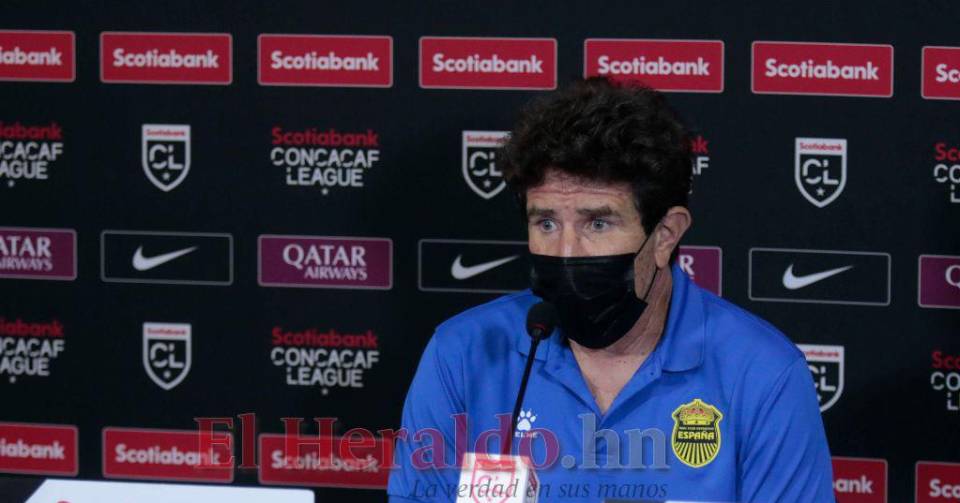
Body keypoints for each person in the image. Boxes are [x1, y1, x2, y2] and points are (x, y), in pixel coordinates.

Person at [387, 78, 834, 502]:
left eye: (597, 223)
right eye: (546, 223)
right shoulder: (462, 354)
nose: (566, 252)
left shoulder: (763, 374)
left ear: (666, 234)